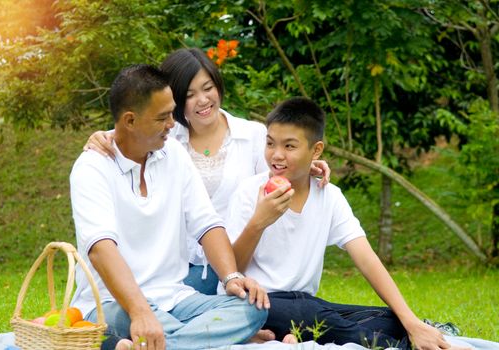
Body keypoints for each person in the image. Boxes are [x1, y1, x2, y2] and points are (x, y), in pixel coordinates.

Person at [83, 47, 331, 296]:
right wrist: (105, 137)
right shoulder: (166, 143)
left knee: (234, 306)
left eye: (208, 87)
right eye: (189, 94)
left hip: (240, 260)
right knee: (160, 300)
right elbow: (130, 134)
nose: (202, 100)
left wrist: (307, 165)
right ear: (173, 101)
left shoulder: (253, 136)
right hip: (184, 266)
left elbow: (279, 176)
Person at [224, 97, 457, 349]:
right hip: (256, 304)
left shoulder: (329, 195)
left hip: (307, 305)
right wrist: (259, 222)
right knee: (312, 313)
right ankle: (402, 346)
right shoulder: (249, 192)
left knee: (391, 319)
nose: (276, 155)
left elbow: (367, 260)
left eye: (289, 146)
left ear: (316, 151)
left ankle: (296, 337)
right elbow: (230, 271)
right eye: (270, 143)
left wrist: (410, 321)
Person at [70, 64, 269, 350]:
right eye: (163, 117)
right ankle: (200, 338)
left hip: (176, 298)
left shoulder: (172, 153)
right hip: (113, 303)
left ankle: (158, 344)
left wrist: (232, 277)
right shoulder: (91, 167)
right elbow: (101, 249)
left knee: (253, 308)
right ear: (130, 121)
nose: (172, 124)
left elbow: (207, 222)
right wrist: (140, 312)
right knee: (134, 320)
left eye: (172, 114)